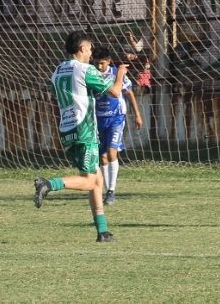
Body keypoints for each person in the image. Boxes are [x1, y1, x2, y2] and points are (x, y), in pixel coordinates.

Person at [34, 31, 128, 242]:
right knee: (89, 180)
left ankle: (102, 231)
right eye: (91, 48)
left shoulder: (57, 70)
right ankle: (49, 184)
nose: (92, 52)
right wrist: (120, 72)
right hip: (85, 130)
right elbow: (114, 91)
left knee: (97, 180)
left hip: (67, 130)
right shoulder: (85, 69)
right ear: (82, 49)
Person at [92, 48, 143, 205]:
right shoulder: (92, 75)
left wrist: (137, 114)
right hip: (99, 120)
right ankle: (107, 190)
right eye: (96, 63)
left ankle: (111, 191)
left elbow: (128, 93)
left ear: (108, 61)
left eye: (102, 63)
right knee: (102, 157)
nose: (99, 66)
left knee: (112, 152)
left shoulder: (117, 73)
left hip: (116, 118)